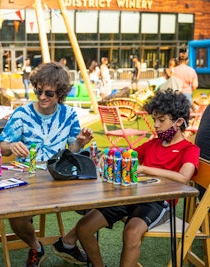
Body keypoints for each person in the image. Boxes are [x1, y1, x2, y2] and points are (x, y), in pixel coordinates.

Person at [53, 89, 199, 267]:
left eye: (162, 120)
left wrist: (146, 168)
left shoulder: (189, 149)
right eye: (154, 120)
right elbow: (127, 155)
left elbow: (183, 178)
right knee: (84, 228)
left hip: (160, 203)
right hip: (131, 196)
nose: (156, 125)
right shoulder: (153, 144)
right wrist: (109, 157)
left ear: (179, 122)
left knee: (131, 232)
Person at [0, 62, 92, 267]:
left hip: (59, 179)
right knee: (16, 217)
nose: (42, 97)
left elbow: (72, 151)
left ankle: (67, 242)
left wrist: (79, 143)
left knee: (97, 207)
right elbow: (2, 145)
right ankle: (36, 247)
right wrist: (12, 146)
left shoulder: (68, 115)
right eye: (38, 91)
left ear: (60, 93)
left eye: (48, 93)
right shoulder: (22, 114)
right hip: (27, 180)